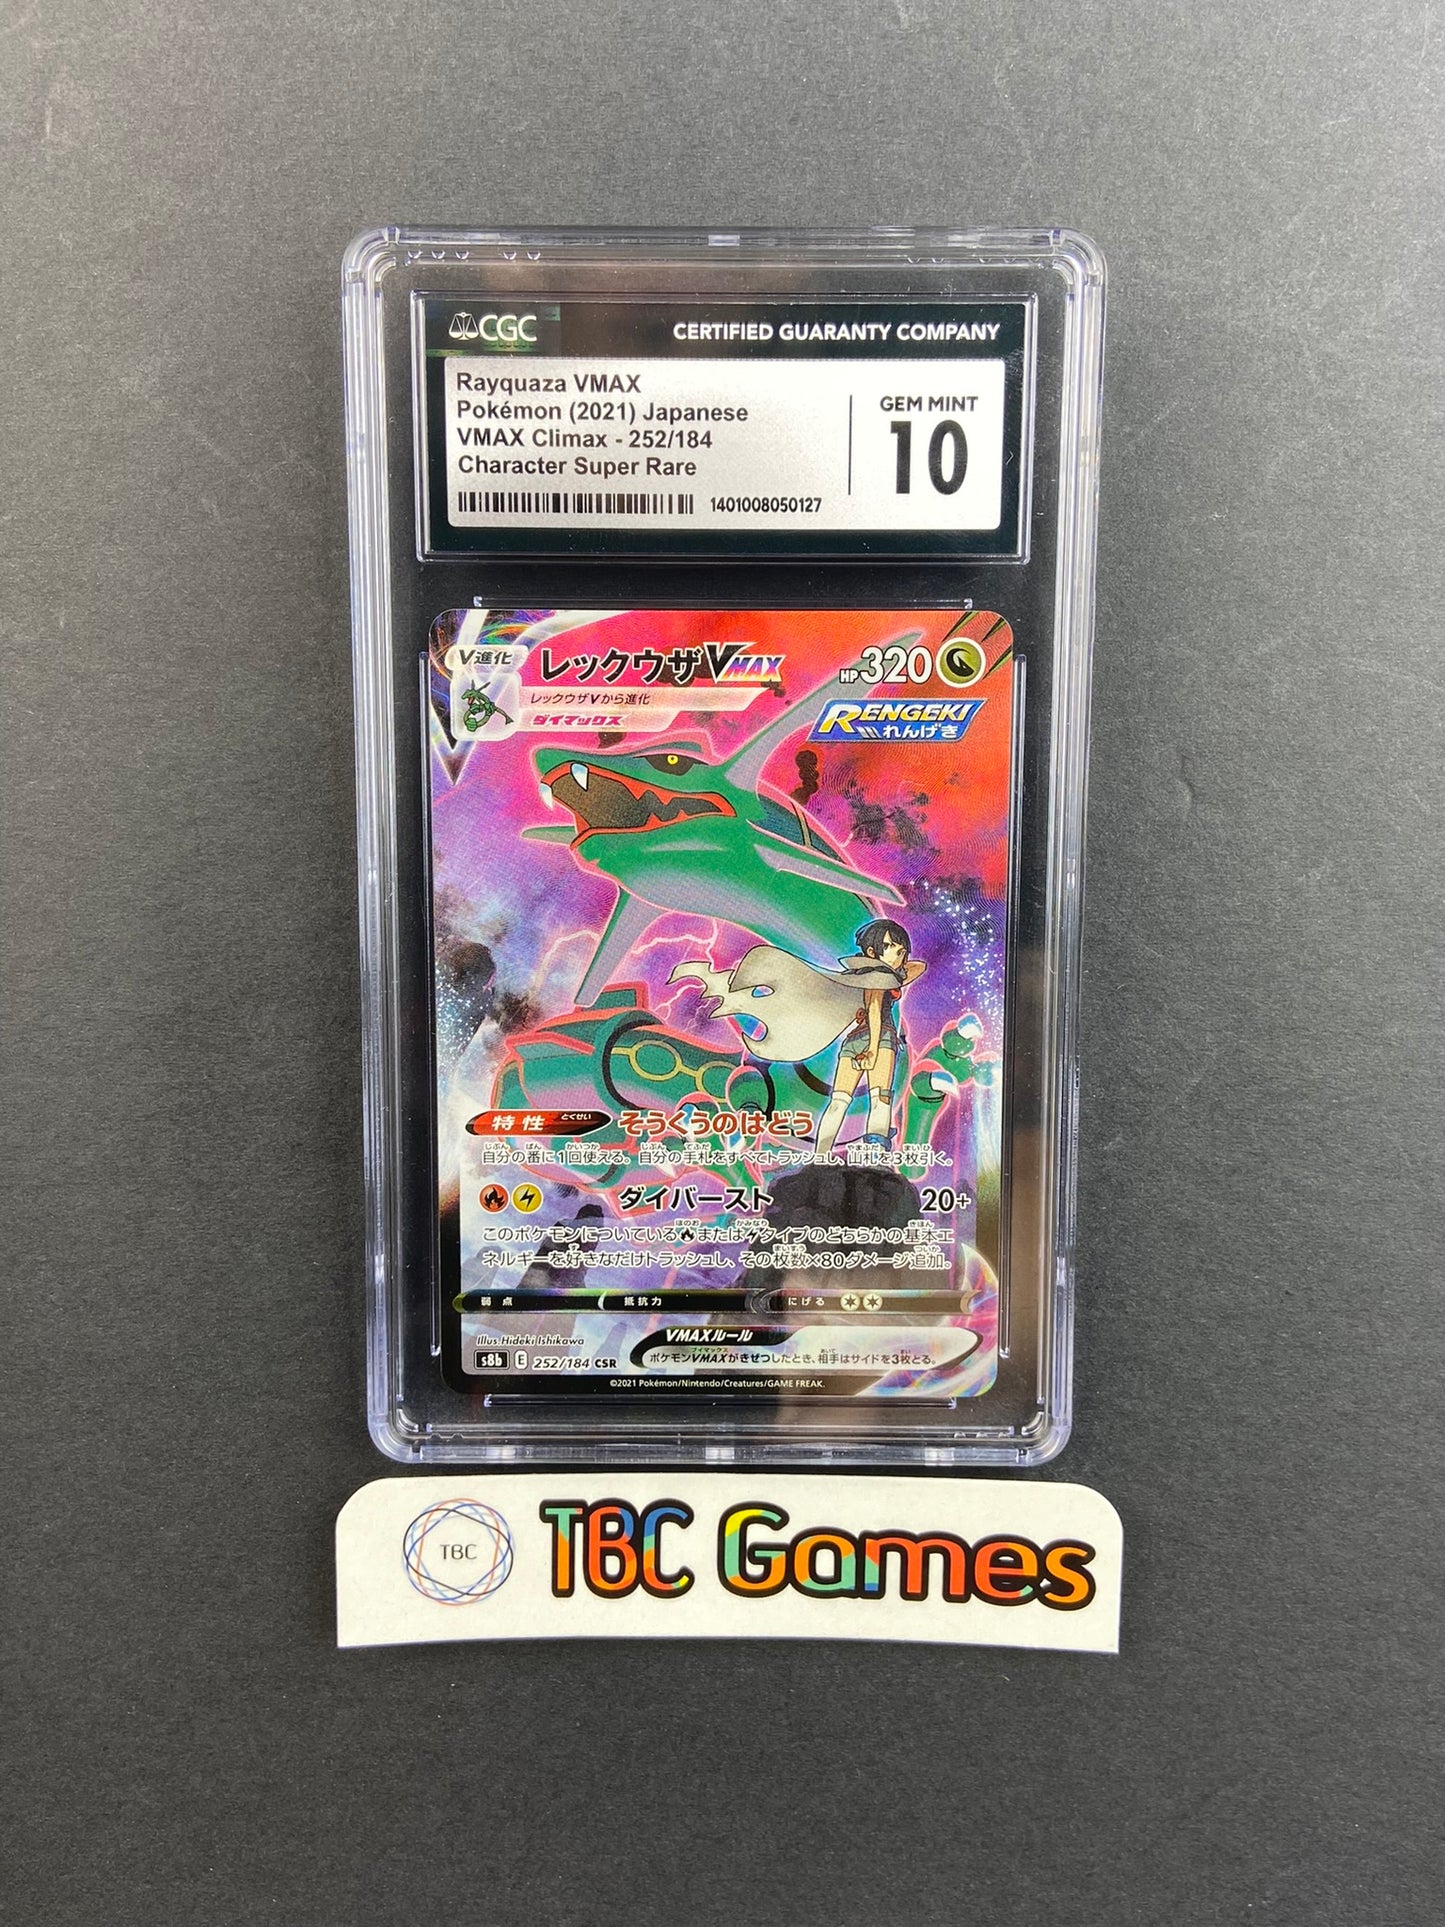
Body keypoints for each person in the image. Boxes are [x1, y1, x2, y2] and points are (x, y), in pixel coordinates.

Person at [814, 919, 926, 1158]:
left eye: (901, 951)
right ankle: (875, 1157)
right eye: (890, 947)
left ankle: (820, 1157)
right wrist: (873, 1049)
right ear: (872, 952)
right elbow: (874, 1010)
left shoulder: (863, 976)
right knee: (880, 1099)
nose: (898, 954)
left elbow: (918, 967)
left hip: (853, 1041)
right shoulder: (877, 978)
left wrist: (892, 971)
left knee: (838, 1102)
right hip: (880, 1037)